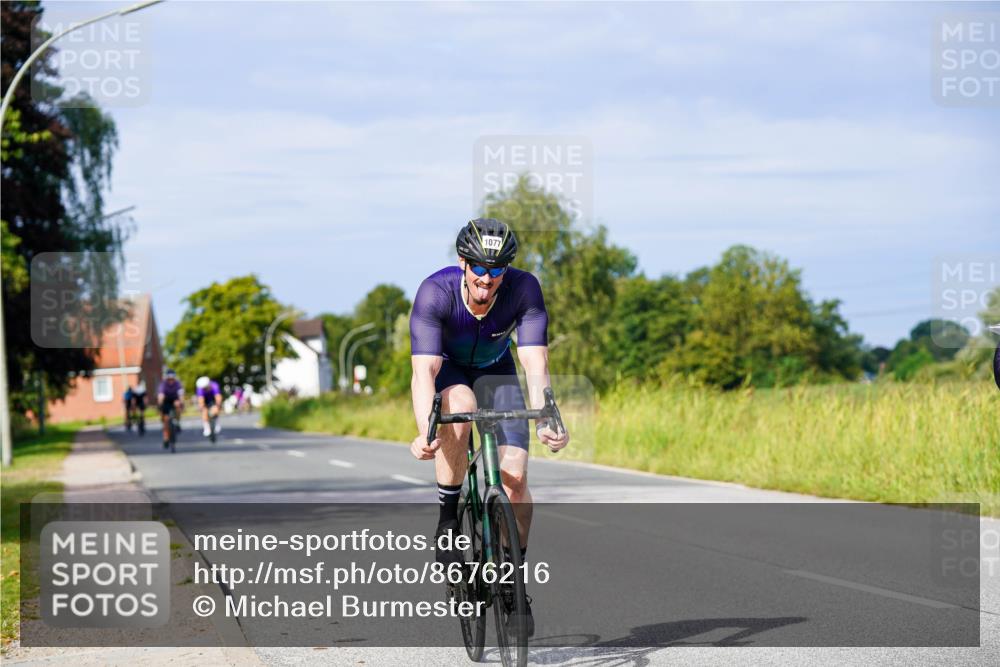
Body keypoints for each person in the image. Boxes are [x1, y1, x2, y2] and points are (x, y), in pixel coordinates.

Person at [408, 218, 570, 636]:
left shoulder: (524, 289)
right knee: (460, 408)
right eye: (478, 268)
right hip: (450, 371)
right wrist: (426, 430)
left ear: (506, 270)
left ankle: (514, 579)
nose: (486, 278)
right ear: (463, 262)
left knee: (515, 479)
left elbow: (535, 360)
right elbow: (424, 371)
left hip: (497, 372)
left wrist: (546, 417)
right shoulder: (435, 292)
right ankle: (448, 519)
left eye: (496, 270)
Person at [157, 370, 184, 449]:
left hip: (175, 400)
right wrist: (160, 404)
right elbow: (161, 396)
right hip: (166, 401)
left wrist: (181, 403)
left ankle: (177, 421)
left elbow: (181, 395)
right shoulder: (163, 385)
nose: (171, 381)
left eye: (172, 379)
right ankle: (166, 438)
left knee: (178, 404)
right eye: (169, 379)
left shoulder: (177, 384)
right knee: (165, 421)